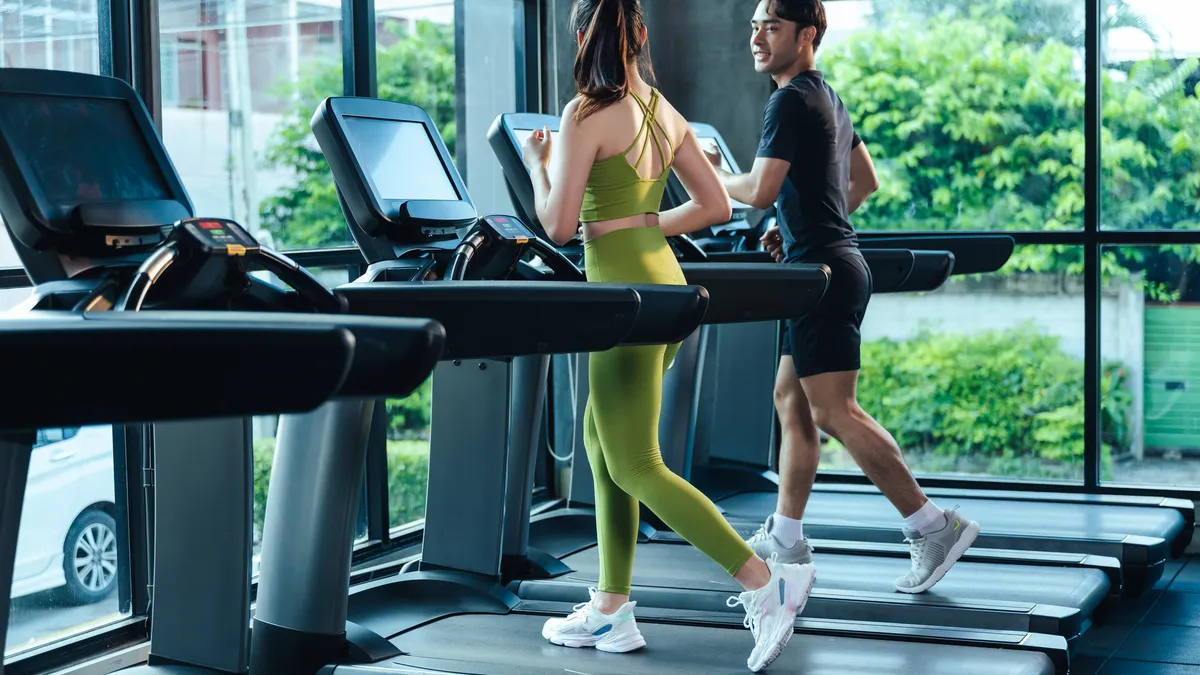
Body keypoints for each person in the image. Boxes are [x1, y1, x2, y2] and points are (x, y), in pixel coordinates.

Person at [521, 0, 814, 670]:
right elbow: (715, 205)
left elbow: (559, 225)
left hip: (621, 297)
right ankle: (611, 607)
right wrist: (646, 228)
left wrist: (541, 164)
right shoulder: (662, 108)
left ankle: (766, 584)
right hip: (666, 287)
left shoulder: (584, 115)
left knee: (633, 461)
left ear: (579, 36)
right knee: (602, 446)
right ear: (642, 34)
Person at [706, 0, 979, 595]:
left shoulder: (788, 99)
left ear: (807, 34)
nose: (757, 36)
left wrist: (702, 174)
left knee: (835, 410)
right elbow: (865, 180)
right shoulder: (826, 96)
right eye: (753, 25)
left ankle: (933, 525)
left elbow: (756, 190)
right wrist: (799, 227)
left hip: (822, 273)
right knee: (791, 400)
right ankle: (785, 535)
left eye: (771, 26)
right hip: (821, 263)